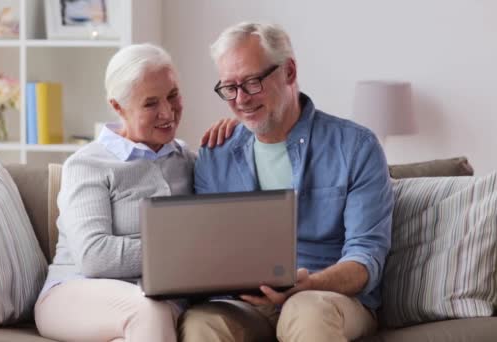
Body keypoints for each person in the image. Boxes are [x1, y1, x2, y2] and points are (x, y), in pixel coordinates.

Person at [179, 22, 394, 342]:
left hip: (329, 298)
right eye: (229, 88)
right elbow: (210, 252)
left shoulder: (355, 146)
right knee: (201, 324)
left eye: (252, 82)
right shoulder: (216, 155)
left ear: (289, 71)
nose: (240, 100)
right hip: (246, 305)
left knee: (305, 310)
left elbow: (366, 257)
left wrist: (310, 285)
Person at [34, 43, 197, 342]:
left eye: (173, 95)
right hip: (74, 294)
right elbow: (94, 257)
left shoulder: (187, 160)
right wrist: (181, 251)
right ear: (118, 107)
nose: (167, 112)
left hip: (159, 301)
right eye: (150, 103)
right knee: (149, 311)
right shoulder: (87, 164)